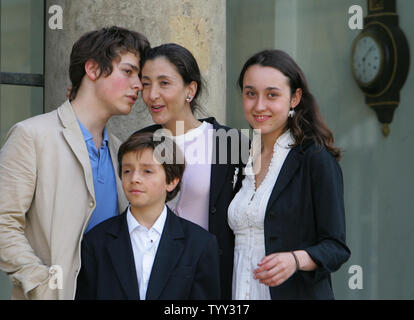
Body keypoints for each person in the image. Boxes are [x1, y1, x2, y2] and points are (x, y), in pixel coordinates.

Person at [0, 26, 150, 299]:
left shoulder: (120, 151)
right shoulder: (31, 136)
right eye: (128, 72)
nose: (138, 85)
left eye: (139, 76)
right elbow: (3, 223)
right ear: (92, 70)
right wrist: (40, 282)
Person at [228, 49, 351, 300]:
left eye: (272, 94)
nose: (259, 105)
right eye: (250, 93)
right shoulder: (239, 157)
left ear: (294, 98)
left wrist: (295, 260)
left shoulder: (315, 159)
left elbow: (336, 247)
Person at [135, 43, 248, 299]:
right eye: (146, 83)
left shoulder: (229, 143)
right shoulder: (139, 142)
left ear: (190, 89)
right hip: (149, 277)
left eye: (164, 83)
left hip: (208, 280)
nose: (152, 95)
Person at [75, 131, 221, 300]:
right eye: (127, 170)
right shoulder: (96, 241)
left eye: (147, 171)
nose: (134, 178)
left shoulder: (199, 244)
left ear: (171, 181)